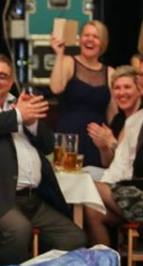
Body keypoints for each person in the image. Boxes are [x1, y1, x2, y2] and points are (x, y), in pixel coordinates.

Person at [0, 53, 86, 265]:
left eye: (2, 76)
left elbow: (48, 145)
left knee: (74, 239)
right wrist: (18, 116)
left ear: (11, 81)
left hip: (32, 199)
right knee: (18, 230)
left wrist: (31, 122)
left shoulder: (19, 103)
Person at [85, 54, 143, 246]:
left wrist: (112, 144)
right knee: (92, 208)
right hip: (139, 187)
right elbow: (140, 165)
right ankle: (107, 263)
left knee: (88, 185)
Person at [49, 20, 115, 168]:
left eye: (95, 36)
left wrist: (110, 140)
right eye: (86, 35)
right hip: (70, 135)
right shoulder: (68, 62)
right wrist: (59, 54)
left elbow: (112, 114)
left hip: (96, 139)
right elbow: (56, 88)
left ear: (103, 43)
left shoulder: (110, 72)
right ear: (80, 39)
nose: (90, 39)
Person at [87, 66, 141, 170]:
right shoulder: (118, 119)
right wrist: (103, 148)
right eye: (117, 88)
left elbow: (132, 164)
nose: (121, 93)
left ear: (139, 90)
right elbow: (108, 164)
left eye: (127, 87)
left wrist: (111, 142)